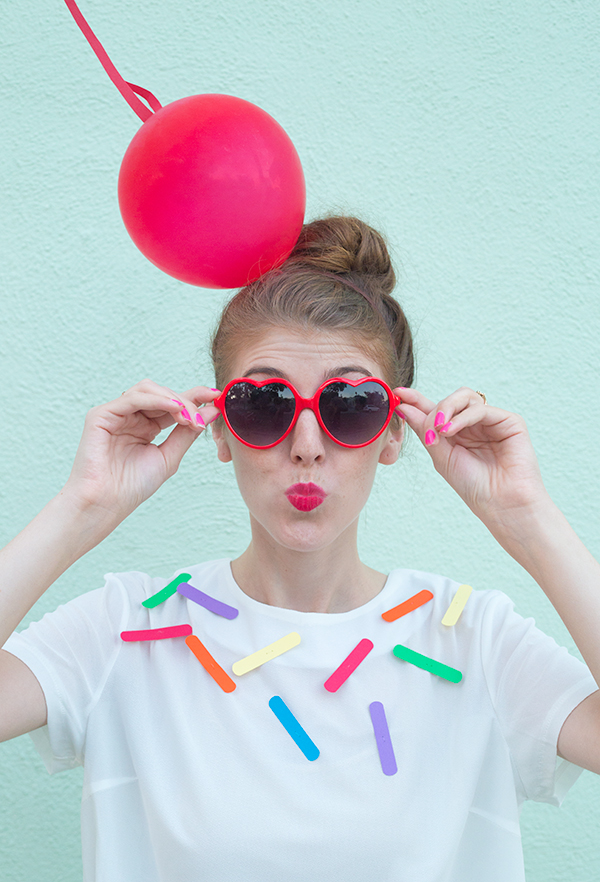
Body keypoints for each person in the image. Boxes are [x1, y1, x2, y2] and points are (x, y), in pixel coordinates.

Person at [1, 215, 599, 882]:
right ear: (221, 430)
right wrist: (83, 505)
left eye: (350, 404)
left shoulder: (474, 642)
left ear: (395, 432)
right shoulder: (126, 630)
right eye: (263, 404)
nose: (308, 444)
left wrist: (528, 519)